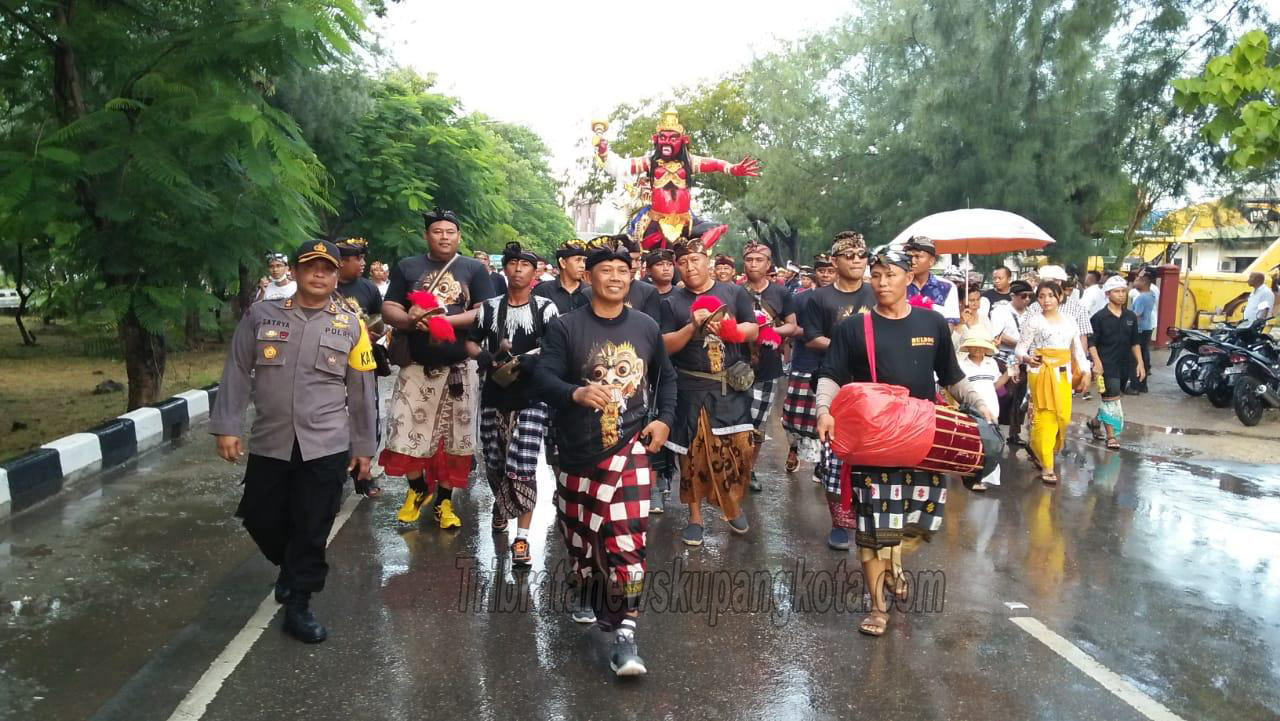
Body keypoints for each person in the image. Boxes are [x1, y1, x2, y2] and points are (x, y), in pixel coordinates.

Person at [814, 248, 995, 637]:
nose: (881, 283)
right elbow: (829, 373)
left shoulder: (931, 323)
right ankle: (877, 606)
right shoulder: (852, 329)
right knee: (872, 527)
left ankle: (894, 567)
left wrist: (978, 402)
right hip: (872, 441)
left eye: (890, 275)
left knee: (918, 522)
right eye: (875, 275)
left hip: (922, 438)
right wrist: (823, 410)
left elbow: (951, 376)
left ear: (907, 276)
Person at [210, 239, 378, 643]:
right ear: (297, 272)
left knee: (312, 524)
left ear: (337, 275)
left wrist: (363, 449)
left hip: (326, 444)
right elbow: (236, 368)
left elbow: (362, 391)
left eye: (327, 268)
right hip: (272, 439)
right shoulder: (260, 315)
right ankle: (290, 566)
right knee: (260, 517)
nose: (319, 274)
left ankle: (299, 602)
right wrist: (227, 425)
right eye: (310, 266)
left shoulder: (350, 325)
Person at [533, 237, 677, 677]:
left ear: (631, 277)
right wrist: (575, 392)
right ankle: (587, 588)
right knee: (583, 541)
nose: (615, 277)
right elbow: (542, 378)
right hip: (576, 452)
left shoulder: (646, 327)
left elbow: (666, 380)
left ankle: (626, 635)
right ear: (588, 276)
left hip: (630, 448)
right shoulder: (565, 326)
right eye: (604, 270)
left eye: (622, 270)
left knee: (628, 539)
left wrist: (664, 420)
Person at [380, 209, 495, 530]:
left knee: (455, 439)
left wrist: (442, 321)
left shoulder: (473, 268)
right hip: (417, 366)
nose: (444, 236)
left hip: (460, 369)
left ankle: (445, 501)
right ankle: (417, 490)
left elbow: (484, 311)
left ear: (458, 236)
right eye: (437, 231)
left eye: (450, 232)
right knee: (404, 432)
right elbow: (389, 307)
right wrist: (411, 319)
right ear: (426, 235)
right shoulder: (408, 266)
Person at [660, 232, 759, 546]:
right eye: (683, 262)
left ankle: (731, 505)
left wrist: (730, 329)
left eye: (695, 260)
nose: (690, 267)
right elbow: (664, 345)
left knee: (742, 447)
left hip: (729, 385)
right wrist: (692, 326)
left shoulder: (734, 292)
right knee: (691, 456)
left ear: (709, 261)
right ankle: (695, 517)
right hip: (690, 386)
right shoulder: (671, 302)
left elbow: (753, 327)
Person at [466, 242, 559, 566]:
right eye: (513, 264)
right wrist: (487, 356)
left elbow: (554, 347)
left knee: (522, 466)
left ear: (535, 272)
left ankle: (522, 539)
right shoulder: (488, 308)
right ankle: (500, 503)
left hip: (532, 398)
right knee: (494, 463)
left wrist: (534, 360)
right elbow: (470, 341)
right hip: (494, 394)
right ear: (504, 269)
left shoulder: (546, 309)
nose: (518, 269)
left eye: (525, 265)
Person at [794, 232, 875, 549]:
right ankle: (839, 522)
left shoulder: (875, 293)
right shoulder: (819, 298)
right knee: (835, 458)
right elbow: (811, 338)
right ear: (835, 260)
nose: (856, 260)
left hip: (874, 388)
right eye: (849, 255)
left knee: (873, 455)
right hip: (835, 385)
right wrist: (850, 348)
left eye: (861, 255)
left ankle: (870, 517)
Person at [1015, 280, 1091, 485]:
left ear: (1059, 297)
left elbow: (1077, 350)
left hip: (1063, 374)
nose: (1046, 300)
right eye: (1041, 296)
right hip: (1040, 373)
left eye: (1050, 295)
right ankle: (1047, 465)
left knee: (1063, 418)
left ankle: (1039, 449)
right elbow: (1020, 349)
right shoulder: (1034, 321)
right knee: (1045, 418)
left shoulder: (1070, 321)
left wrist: (1086, 371)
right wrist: (1027, 358)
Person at [740, 242, 798, 492]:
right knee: (733, 422)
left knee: (757, 425)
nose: (754, 264)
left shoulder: (781, 294)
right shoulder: (734, 291)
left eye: (759, 260)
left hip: (768, 365)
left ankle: (749, 469)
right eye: (749, 259)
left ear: (768, 264)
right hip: (736, 364)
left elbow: (793, 326)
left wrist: (770, 332)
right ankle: (732, 469)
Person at [335, 237, 387, 497]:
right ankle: (337, 470)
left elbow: (380, 319)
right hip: (330, 365)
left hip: (362, 363)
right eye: (359, 259)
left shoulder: (368, 288)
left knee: (366, 415)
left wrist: (374, 333)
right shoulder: (326, 287)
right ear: (342, 262)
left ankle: (363, 475)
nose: (364, 264)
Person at [1086, 276, 1145, 450]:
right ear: (1107, 294)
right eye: (1116, 291)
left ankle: (1095, 422)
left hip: (1124, 363)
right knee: (1111, 397)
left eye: (1123, 291)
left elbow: (1135, 342)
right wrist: (1096, 363)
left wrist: (1140, 363)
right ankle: (1111, 436)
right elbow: (1092, 343)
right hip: (1105, 363)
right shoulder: (1099, 317)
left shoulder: (1130, 317)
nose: (1120, 295)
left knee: (1111, 397)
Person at [956, 329, 1009, 491]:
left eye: (981, 346)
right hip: (972, 410)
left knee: (992, 445)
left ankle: (986, 477)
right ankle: (973, 478)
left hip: (992, 408)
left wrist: (1008, 373)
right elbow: (958, 388)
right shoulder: (962, 364)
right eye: (974, 345)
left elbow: (996, 385)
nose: (977, 349)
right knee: (974, 446)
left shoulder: (991, 363)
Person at [990, 280, 1033, 445]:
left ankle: (1015, 433)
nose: (1027, 300)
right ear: (1013, 296)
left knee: (1020, 396)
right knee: (1004, 393)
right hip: (1003, 358)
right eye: (1023, 296)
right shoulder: (1001, 311)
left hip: (1023, 359)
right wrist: (1021, 343)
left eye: (1030, 296)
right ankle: (995, 426)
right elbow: (999, 336)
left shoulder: (1031, 313)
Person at [904, 236, 960, 326]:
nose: (912, 261)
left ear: (931, 261)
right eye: (909, 256)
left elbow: (950, 325)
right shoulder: (899, 285)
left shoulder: (947, 287)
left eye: (918, 256)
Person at [534, 240, 591, 315]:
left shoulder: (590, 293)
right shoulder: (543, 291)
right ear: (563, 263)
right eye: (578, 260)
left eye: (584, 261)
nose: (582, 265)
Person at [1128, 274, 1156, 394]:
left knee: (1135, 358)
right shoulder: (1151, 295)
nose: (1135, 282)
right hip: (1147, 327)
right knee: (1144, 355)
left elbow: (1136, 315)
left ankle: (1135, 386)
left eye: (1137, 280)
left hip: (1139, 329)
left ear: (1144, 282)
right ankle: (1143, 385)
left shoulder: (1141, 298)